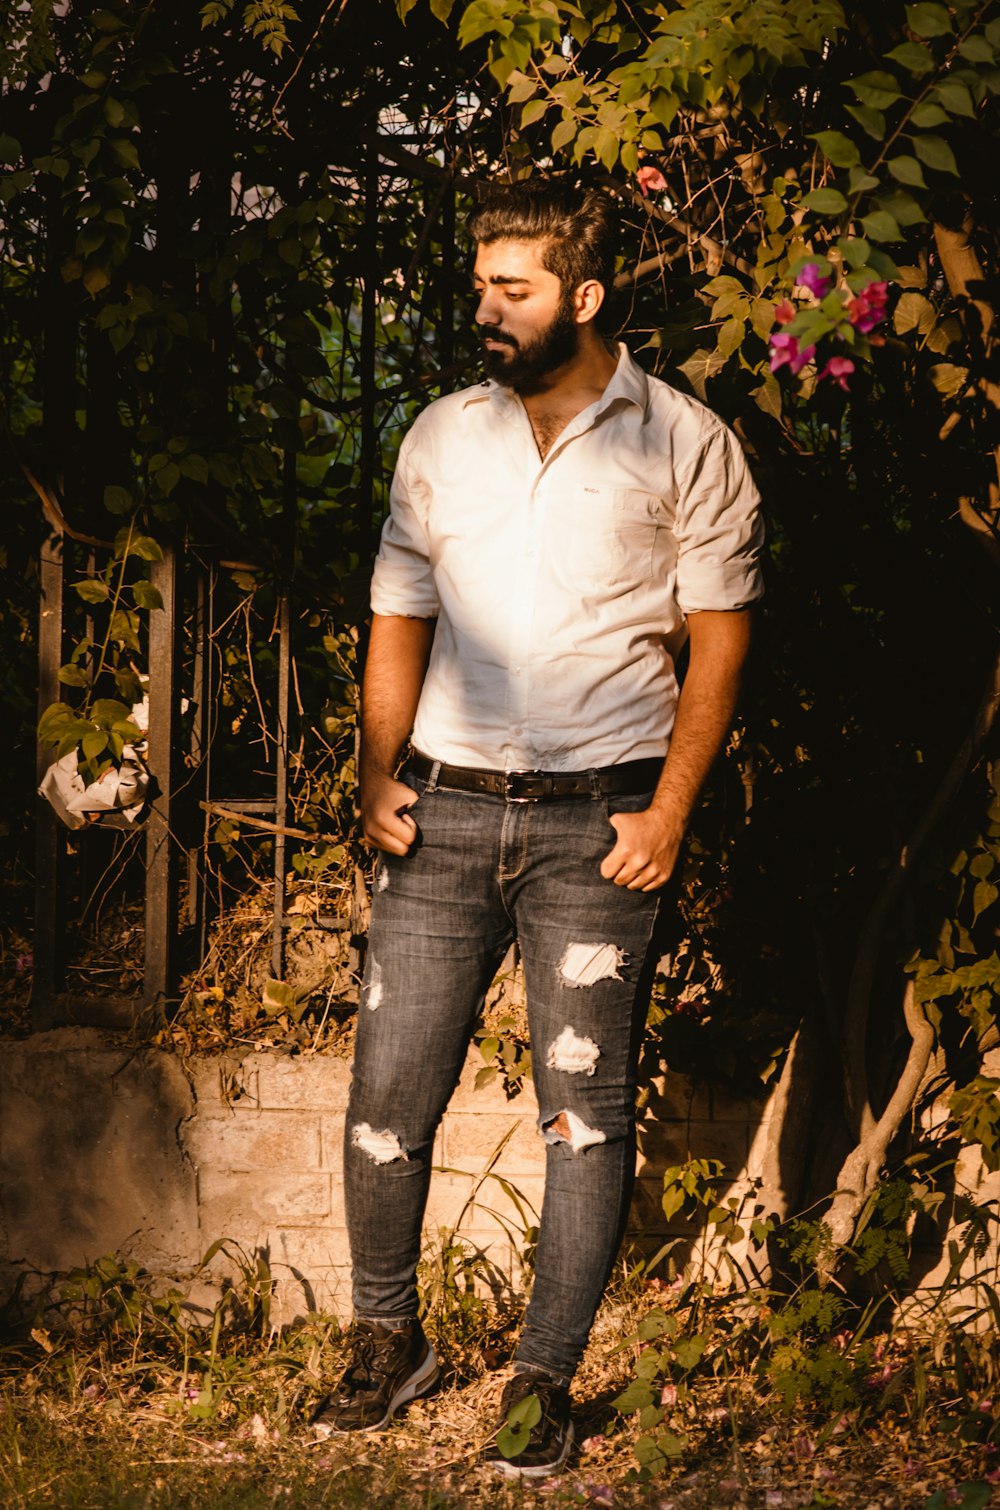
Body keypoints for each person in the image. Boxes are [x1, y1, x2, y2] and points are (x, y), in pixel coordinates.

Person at [311, 180, 764, 1478]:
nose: (486, 309)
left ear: (586, 296)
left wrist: (671, 807)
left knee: (585, 1112)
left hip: (598, 825)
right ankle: (390, 1340)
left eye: (512, 287)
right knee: (388, 1093)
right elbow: (399, 604)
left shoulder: (682, 439)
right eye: (480, 285)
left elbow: (721, 635)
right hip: (441, 813)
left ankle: (542, 1382)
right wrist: (373, 771)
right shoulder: (444, 435)